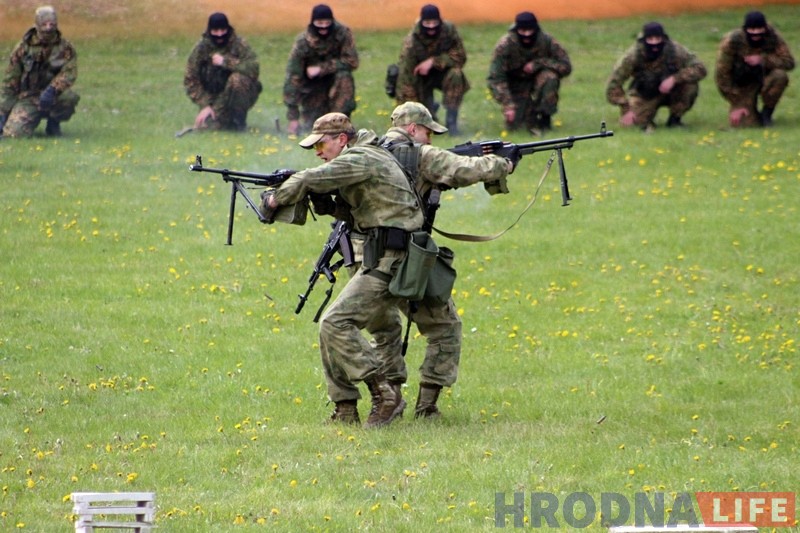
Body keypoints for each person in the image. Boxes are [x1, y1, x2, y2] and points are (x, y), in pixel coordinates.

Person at [264, 112, 423, 428]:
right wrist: (333, 207)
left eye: (321, 145)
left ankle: (385, 393)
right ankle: (345, 408)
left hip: (390, 259)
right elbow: (368, 210)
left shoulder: (360, 157)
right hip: (384, 255)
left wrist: (274, 199)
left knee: (334, 323)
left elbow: (310, 177)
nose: (318, 153)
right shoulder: (363, 157)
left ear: (342, 139)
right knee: (332, 326)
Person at [377, 101, 515, 418]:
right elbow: (463, 169)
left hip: (365, 259)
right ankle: (426, 407)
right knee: (445, 327)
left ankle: (386, 402)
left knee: (385, 332)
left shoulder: (370, 153)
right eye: (427, 131)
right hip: (405, 259)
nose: (430, 138)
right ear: (412, 129)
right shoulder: (420, 155)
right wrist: (502, 165)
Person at [605, 22, 707, 131]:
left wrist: (674, 79)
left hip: (672, 91)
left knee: (690, 85)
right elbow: (614, 83)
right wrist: (626, 108)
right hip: (645, 94)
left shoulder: (676, 50)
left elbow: (700, 68)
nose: (654, 43)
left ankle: (675, 119)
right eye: (650, 39)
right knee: (633, 123)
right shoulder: (633, 56)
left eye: (658, 39)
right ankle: (647, 119)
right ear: (644, 39)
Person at [0, 6, 79, 138]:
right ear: (37, 24)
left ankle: (54, 124)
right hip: (28, 98)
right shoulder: (23, 49)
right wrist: (3, 112)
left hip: (53, 96)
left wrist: (52, 90)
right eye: (44, 24)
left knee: (69, 98)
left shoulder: (65, 48)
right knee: (13, 135)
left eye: (52, 24)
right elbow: (10, 82)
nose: (48, 28)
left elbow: (69, 73)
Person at [488, 11, 571, 134]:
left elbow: (565, 66)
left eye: (530, 31)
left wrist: (539, 64)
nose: (526, 35)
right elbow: (496, 78)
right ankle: (529, 113)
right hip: (515, 86)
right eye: (522, 31)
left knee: (550, 77)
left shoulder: (547, 41)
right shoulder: (505, 45)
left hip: (538, 82)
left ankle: (545, 117)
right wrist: (508, 104)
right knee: (516, 127)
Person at [394, 4, 470, 135]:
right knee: (427, 121)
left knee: (456, 74)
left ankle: (451, 123)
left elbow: (461, 57)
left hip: (443, 74)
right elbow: (405, 79)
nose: (431, 27)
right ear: (422, 22)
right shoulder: (411, 42)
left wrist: (433, 62)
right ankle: (430, 109)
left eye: (434, 22)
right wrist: (407, 114)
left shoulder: (449, 30)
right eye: (427, 23)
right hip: (420, 79)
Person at [283, 5, 359, 136]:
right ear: (313, 23)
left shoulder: (343, 33)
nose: (323, 27)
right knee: (314, 127)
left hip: (336, 83)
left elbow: (352, 61)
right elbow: (293, 78)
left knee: (344, 76)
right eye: (319, 23)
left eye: (327, 23)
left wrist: (322, 69)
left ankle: (342, 121)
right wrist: (293, 118)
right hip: (313, 88)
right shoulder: (302, 42)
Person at [183, 12, 262, 132]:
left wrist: (225, 62)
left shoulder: (239, 45)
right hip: (213, 98)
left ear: (228, 29)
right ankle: (222, 118)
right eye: (215, 31)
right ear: (209, 31)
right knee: (208, 128)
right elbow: (190, 80)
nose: (219, 35)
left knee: (237, 79)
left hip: (238, 95)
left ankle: (239, 121)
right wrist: (205, 105)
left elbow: (253, 67)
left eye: (222, 30)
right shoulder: (201, 49)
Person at [715, 11, 795, 128]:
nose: (755, 35)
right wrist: (736, 102)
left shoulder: (773, 37)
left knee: (780, 76)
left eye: (759, 32)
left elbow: (789, 62)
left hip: (765, 78)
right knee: (744, 124)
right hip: (743, 86)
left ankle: (767, 113)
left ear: (765, 29)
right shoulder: (732, 41)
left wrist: (763, 60)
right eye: (752, 32)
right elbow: (722, 75)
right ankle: (753, 113)